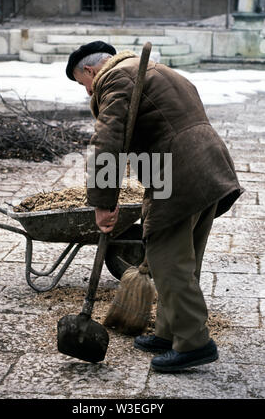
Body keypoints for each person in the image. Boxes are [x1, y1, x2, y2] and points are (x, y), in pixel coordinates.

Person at [66, 41, 244, 373]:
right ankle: (169, 332)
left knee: (167, 260)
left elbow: (107, 143)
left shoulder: (116, 79)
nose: (87, 91)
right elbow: (158, 127)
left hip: (179, 172)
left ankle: (194, 343)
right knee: (181, 256)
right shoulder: (152, 70)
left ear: (90, 71)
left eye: (83, 84)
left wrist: (103, 204)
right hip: (207, 167)